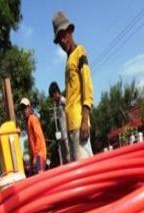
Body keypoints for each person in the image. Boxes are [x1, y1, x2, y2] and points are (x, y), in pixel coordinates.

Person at [52, 11, 94, 161]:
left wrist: (84, 120)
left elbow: (87, 85)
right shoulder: (68, 61)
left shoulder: (79, 52)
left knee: (87, 171)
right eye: (59, 38)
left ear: (70, 31)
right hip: (71, 127)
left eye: (64, 35)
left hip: (79, 122)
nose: (63, 41)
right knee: (80, 173)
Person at [19, 97, 47, 174]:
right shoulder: (27, 122)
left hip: (39, 154)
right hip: (36, 156)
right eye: (22, 108)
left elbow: (38, 137)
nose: (24, 110)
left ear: (30, 108)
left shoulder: (33, 119)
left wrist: (35, 155)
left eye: (25, 107)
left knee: (40, 178)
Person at [49, 81, 71, 163]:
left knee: (69, 157)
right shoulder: (57, 105)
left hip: (67, 135)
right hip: (63, 136)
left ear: (56, 93)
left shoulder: (63, 101)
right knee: (66, 158)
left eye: (52, 96)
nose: (53, 99)